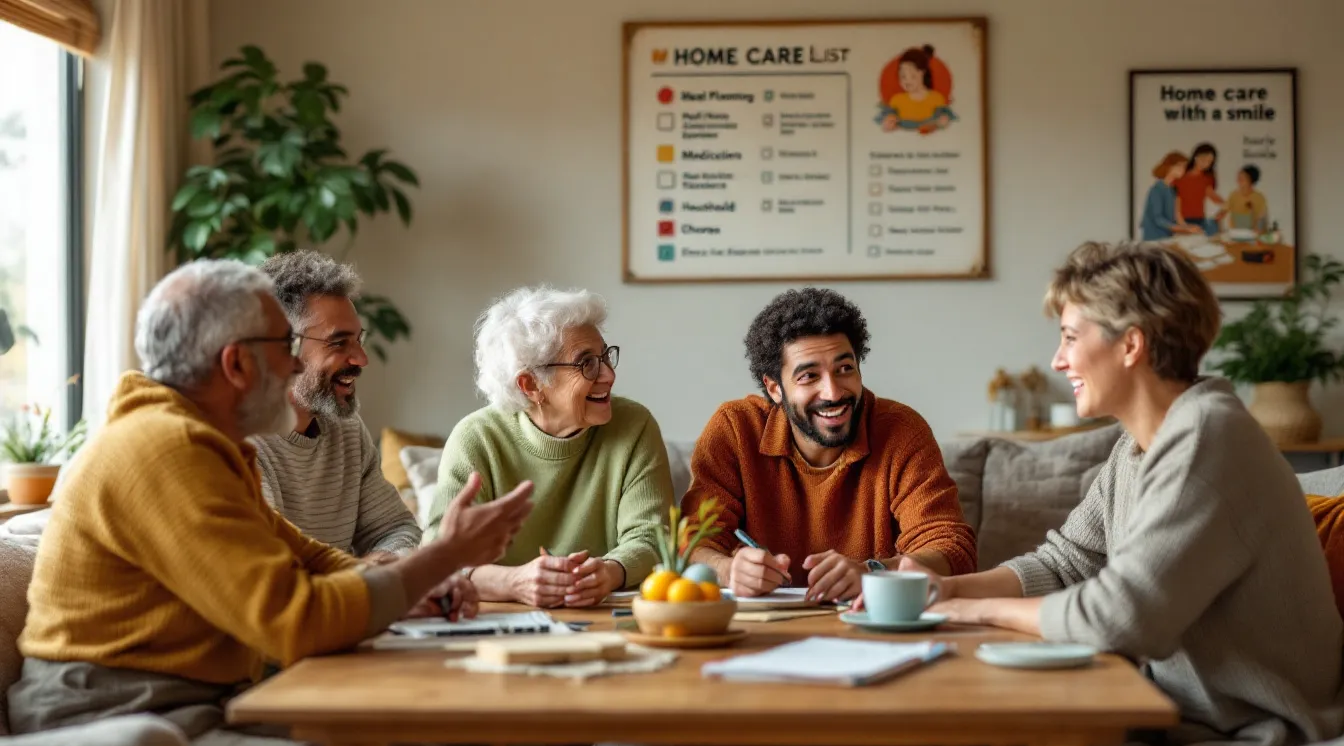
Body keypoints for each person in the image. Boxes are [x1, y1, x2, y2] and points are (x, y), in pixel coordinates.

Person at [8, 260, 533, 746]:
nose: (291, 367)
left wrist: (408, 581)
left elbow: (305, 555)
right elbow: (294, 619)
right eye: (283, 347)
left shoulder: (207, 442)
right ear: (236, 363)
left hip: (192, 704)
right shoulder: (164, 449)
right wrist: (443, 556)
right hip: (112, 718)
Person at [905, 241, 1344, 746]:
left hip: (1262, 734)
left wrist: (969, 610)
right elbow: (1065, 561)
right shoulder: (1136, 447)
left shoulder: (1208, 442)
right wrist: (944, 588)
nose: (1057, 359)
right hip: (1169, 720)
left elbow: (1119, 618)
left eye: (1070, 337)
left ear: (1131, 344)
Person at [685, 287, 977, 603]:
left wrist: (875, 572)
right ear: (775, 388)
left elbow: (952, 548)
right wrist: (728, 570)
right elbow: (691, 545)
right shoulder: (735, 429)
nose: (834, 392)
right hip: (762, 628)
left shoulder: (901, 430)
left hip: (868, 624)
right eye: (809, 376)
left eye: (844, 369)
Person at [425, 285, 670, 610]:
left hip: (603, 615)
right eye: (586, 364)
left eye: (605, 356)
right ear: (531, 385)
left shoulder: (634, 426)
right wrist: (514, 582)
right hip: (498, 621)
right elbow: (437, 555)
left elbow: (653, 535)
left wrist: (610, 572)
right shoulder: (477, 439)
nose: (609, 375)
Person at [249, 250, 421, 563]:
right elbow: (270, 570)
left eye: (359, 340)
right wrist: (366, 574)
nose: (361, 359)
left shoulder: (348, 432)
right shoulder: (240, 443)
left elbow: (398, 528)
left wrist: (382, 564)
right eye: (339, 343)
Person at [881, 45, 953, 133]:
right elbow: (888, 123)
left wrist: (942, 123)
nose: (907, 81)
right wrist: (888, 124)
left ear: (922, 73)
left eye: (912, 76)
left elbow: (943, 124)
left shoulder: (937, 99)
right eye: (903, 76)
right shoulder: (896, 100)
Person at [1139, 151, 1202, 241]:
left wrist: (1189, 227)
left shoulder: (1172, 190)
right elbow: (1158, 219)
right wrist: (1184, 229)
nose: (1182, 169)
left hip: (1167, 237)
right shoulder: (1157, 189)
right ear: (1168, 166)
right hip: (1154, 237)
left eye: (1184, 166)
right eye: (1179, 165)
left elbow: (1177, 216)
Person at [1174, 142, 1225, 236]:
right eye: (1204, 159)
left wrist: (1226, 207)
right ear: (1196, 156)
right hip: (1180, 220)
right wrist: (1181, 223)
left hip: (1200, 220)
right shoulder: (1180, 174)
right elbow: (1173, 200)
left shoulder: (1207, 179)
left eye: (1210, 161)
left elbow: (1213, 196)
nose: (1206, 163)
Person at [1221, 164, 1269, 234]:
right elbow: (1223, 211)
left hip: (1252, 234)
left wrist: (1258, 231)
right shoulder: (1234, 195)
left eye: (1242, 179)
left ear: (1251, 181)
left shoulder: (1259, 197)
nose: (1238, 181)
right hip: (1235, 233)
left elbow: (1262, 219)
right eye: (1238, 178)